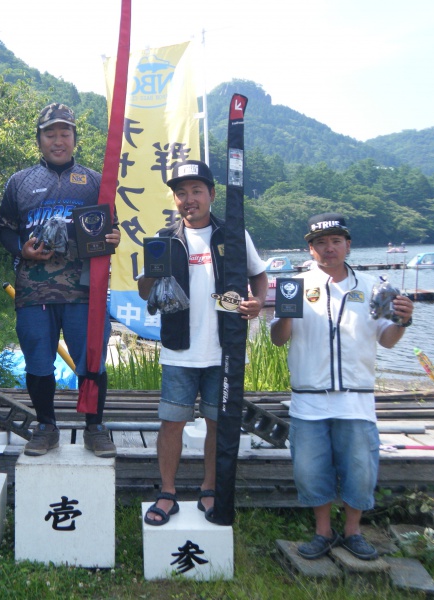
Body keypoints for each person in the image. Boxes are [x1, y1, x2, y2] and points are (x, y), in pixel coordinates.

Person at [270, 213, 414, 560]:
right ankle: (323, 532)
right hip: (308, 400)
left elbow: (388, 340)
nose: (329, 248)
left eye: (336, 241)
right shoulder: (296, 285)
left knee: (360, 470)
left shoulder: (374, 287)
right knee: (309, 469)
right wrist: (286, 312)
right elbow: (277, 338)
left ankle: (353, 532)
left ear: (348, 245)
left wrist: (404, 320)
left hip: (356, 399)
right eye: (321, 242)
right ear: (311, 248)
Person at [137, 160, 268, 525]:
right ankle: (167, 493)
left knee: (217, 424)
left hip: (223, 350)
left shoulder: (234, 235)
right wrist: (151, 271)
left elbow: (259, 276)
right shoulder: (165, 239)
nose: (189, 199)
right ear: (175, 199)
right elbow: (144, 290)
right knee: (171, 424)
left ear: (212, 194)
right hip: (179, 349)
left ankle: (209, 490)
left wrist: (256, 303)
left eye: (196, 191)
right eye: (181, 192)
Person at [0, 103, 121, 458]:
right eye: (50, 133)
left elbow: (110, 229)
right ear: (39, 139)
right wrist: (22, 249)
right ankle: (46, 426)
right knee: (38, 361)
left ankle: (94, 427)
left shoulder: (95, 182)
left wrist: (112, 238)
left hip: (85, 292)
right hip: (33, 291)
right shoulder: (19, 183)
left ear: (74, 139)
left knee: (91, 360)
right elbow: (2, 230)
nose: (58, 140)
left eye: (64, 132)